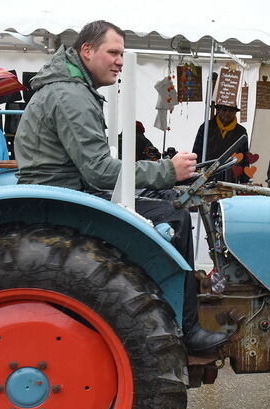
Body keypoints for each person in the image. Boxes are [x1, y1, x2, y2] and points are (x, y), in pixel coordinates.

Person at [15, 20, 228, 354]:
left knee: (168, 199)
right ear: (87, 51)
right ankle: (186, 328)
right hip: (66, 196)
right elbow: (99, 170)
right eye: (113, 52)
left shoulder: (70, 87)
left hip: (65, 188)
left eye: (122, 54)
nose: (119, 61)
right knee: (175, 215)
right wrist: (166, 170)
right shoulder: (70, 94)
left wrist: (164, 179)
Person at [191, 102, 249, 183]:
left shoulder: (241, 131)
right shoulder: (206, 127)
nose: (227, 113)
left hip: (231, 179)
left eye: (231, 111)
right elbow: (196, 153)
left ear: (235, 112)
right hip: (206, 177)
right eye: (224, 110)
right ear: (218, 110)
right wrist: (194, 175)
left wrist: (245, 181)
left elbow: (245, 159)